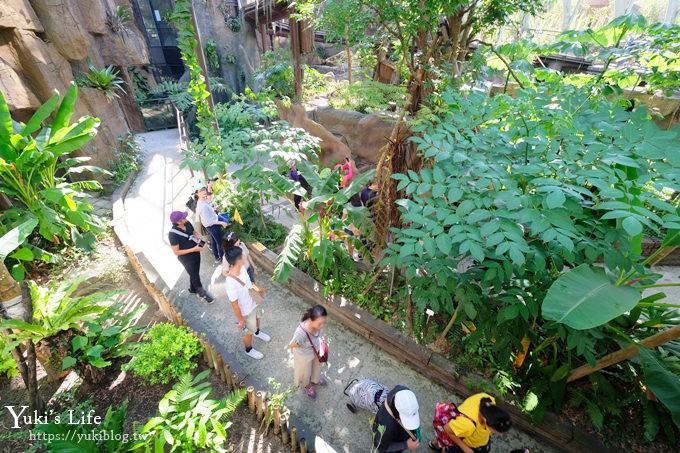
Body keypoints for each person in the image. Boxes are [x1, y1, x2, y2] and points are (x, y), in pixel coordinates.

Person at [224, 246, 270, 360]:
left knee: (258, 318)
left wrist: (258, 291)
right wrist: (240, 320)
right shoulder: (230, 282)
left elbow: (249, 284)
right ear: (238, 260)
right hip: (246, 310)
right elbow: (234, 304)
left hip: (253, 301)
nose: (245, 256)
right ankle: (248, 349)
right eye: (242, 255)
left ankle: (257, 332)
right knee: (249, 331)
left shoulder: (243, 269)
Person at [430, 393, 511, 453]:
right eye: (496, 432)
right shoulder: (468, 425)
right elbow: (447, 430)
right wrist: (466, 449)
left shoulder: (488, 400)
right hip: (467, 444)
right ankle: (442, 447)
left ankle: (437, 444)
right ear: (486, 422)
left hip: (473, 437)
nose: (499, 434)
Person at [167, 211, 214, 303]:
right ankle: (202, 293)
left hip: (196, 252)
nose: (186, 218)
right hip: (186, 258)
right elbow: (176, 252)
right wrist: (193, 249)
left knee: (195, 272)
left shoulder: (187, 223)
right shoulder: (172, 234)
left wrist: (200, 238)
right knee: (195, 276)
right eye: (184, 218)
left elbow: (194, 232)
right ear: (178, 222)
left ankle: (192, 289)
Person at [289, 305, 328, 399]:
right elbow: (292, 344)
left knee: (316, 365)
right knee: (305, 373)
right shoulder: (301, 333)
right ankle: (307, 386)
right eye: (319, 324)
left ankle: (315, 379)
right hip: (303, 354)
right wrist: (304, 345)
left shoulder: (316, 324)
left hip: (314, 349)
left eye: (324, 322)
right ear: (310, 320)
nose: (322, 326)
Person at [373, 386, 421, 452]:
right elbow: (380, 446)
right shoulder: (386, 426)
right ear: (398, 412)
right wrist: (405, 445)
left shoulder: (402, 391)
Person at [196, 184, 229, 264]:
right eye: (201, 191)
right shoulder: (202, 205)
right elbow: (208, 221)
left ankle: (217, 258)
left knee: (214, 241)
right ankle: (223, 259)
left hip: (210, 226)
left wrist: (214, 209)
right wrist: (221, 222)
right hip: (212, 226)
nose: (204, 191)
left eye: (204, 189)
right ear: (196, 193)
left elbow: (207, 214)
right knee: (220, 242)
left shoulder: (202, 201)